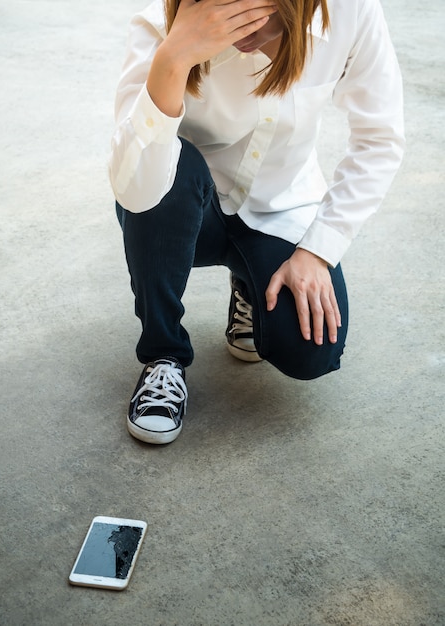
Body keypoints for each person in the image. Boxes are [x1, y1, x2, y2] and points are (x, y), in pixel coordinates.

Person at [109, 0, 405, 444]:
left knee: (312, 351)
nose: (232, 15)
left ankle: (250, 286)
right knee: (174, 162)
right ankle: (163, 355)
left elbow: (379, 139)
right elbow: (136, 191)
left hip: (280, 205)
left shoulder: (350, 11)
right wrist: (172, 61)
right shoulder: (161, 24)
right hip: (183, 212)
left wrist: (317, 251)